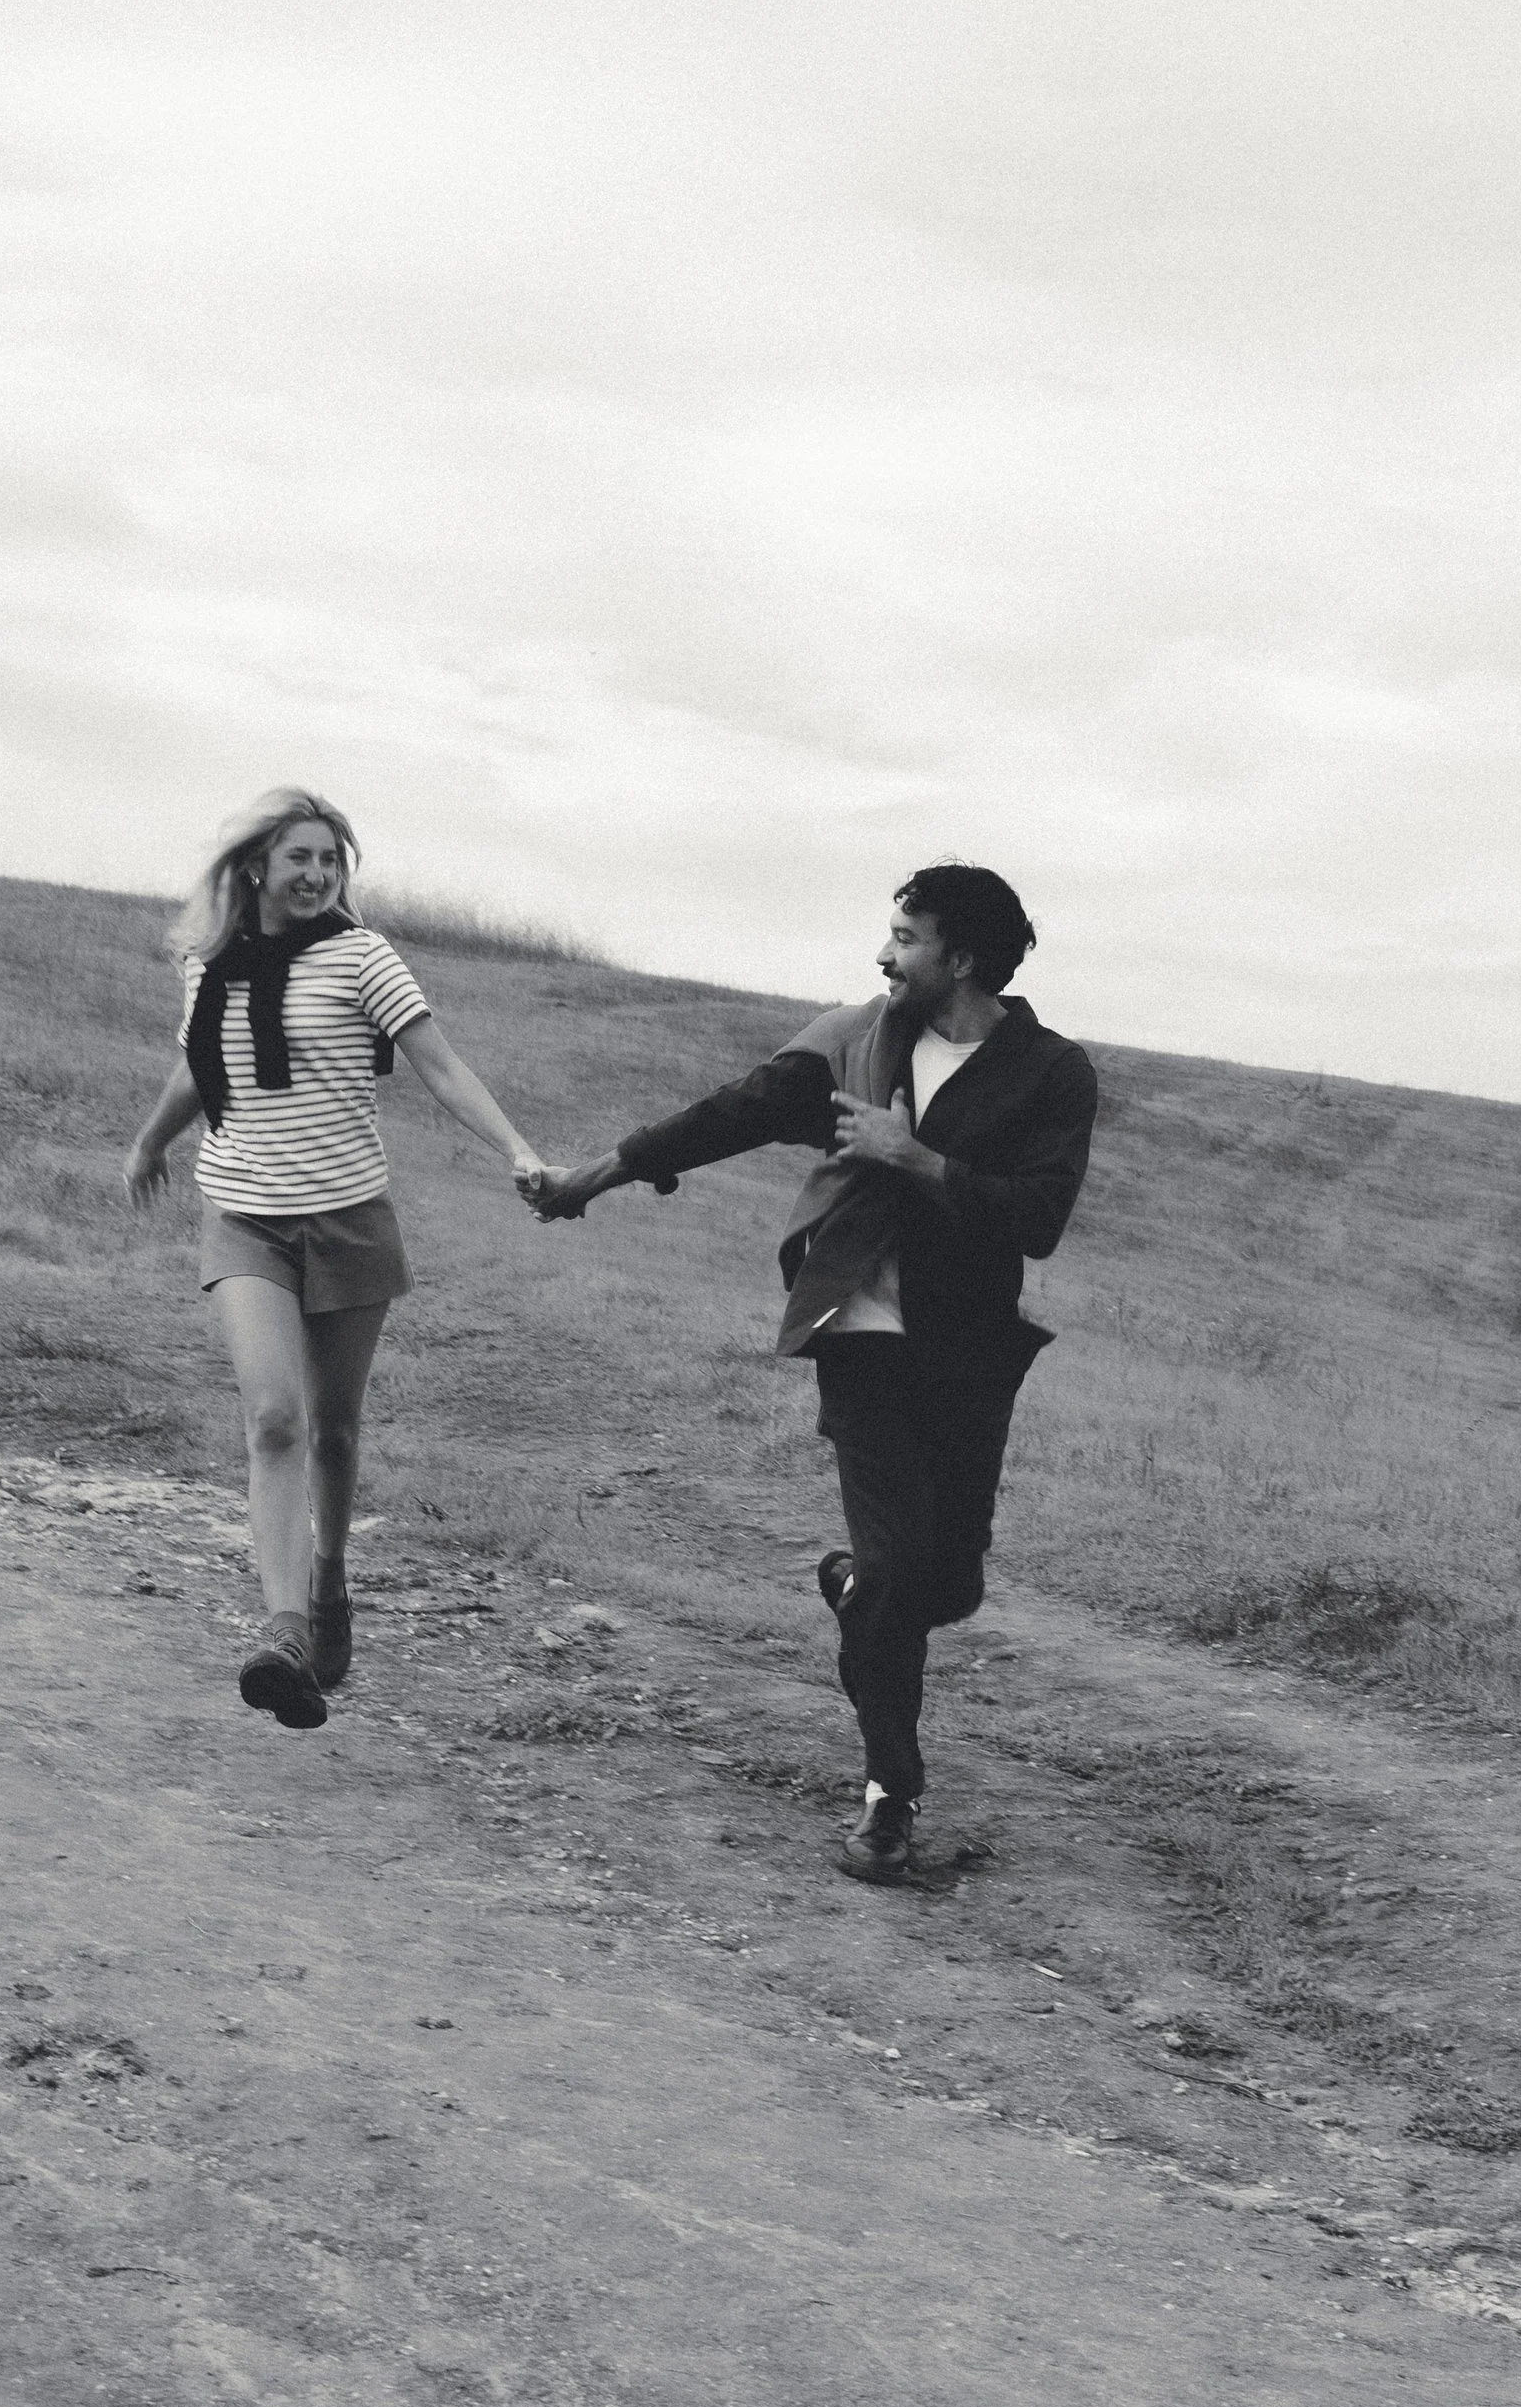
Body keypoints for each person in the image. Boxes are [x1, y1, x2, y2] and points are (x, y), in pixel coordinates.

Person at [536, 864, 1097, 1882]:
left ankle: (855, 1592)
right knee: (899, 1569)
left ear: (964, 958)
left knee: (945, 1585)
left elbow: (1038, 1218)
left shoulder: (1051, 1072)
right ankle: (891, 1797)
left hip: (969, 1351)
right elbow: (730, 1113)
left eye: (907, 939)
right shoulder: (855, 1041)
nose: (884, 956)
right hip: (860, 1331)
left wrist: (911, 1156)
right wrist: (595, 1177)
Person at [122, 789, 546, 1730]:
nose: (317, 875)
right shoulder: (207, 965)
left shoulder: (363, 959)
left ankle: (328, 1580)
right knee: (275, 1418)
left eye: (330, 860)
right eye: (300, 858)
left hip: (348, 1219)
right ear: (256, 867)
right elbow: (201, 1063)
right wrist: (151, 1142)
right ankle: (284, 1635)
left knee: (336, 1434)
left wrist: (516, 1148)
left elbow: (440, 1065)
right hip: (244, 1217)